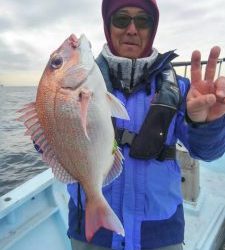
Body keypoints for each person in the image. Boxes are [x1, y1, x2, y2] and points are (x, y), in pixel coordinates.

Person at [66, 0, 225, 249]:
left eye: (143, 21)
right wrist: (53, 111)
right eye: (121, 19)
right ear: (108, 26)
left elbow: (208, 152)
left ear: (153, 29)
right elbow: (47, 146)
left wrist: (208, 124)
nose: (132, 29)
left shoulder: (182, 89)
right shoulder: (78, 84)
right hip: (92, 229)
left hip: (159, 232)